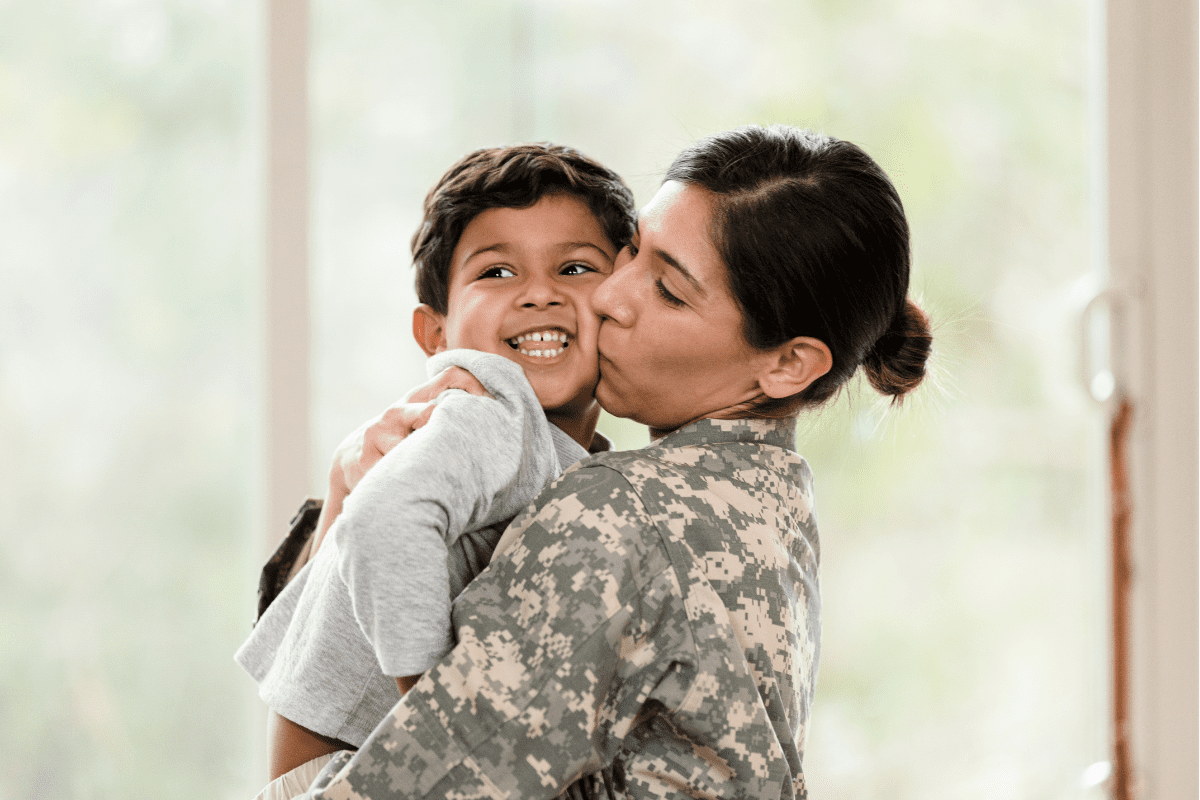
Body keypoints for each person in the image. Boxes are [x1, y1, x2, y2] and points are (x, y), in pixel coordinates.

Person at [298, 124, 933, 800]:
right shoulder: (772, 496)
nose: (607, 296)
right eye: (634, 251)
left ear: (788, 364)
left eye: (668, 289)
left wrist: (341, 528)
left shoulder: (615, 513)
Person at [235, 143, 636, 799]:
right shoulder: (486, 412)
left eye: (574, 267)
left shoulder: (568, 465)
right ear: (436, 333)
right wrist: (439, 720)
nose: (540, 293)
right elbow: (381, 524)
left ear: (625, 302)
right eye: (498, 273)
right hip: (356, 770)